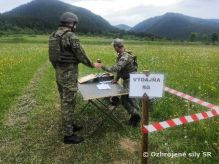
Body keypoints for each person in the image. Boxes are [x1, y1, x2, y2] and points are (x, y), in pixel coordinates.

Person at [48, 12, 94, 144]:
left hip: (59, 74)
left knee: (65, 100)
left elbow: (52, 57)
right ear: (71, 23)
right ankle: (68, 135)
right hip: (69, 76)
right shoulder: (70, 36)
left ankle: (70, 124)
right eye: (75, 24)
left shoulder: (53, 35)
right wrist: (92, 64)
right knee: (68, 103)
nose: (75, 26)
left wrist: (59, 69)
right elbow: (81, 55)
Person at [94, 38, 141, 127]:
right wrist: (116, 79)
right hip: (127, 80)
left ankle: (136, 117)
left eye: (114, 46)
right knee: (124, 100)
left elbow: (116, 69)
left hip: (132, 80)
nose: (113, 48)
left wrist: (102, 66)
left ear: (116, 46)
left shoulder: (125, 57)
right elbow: (121, 71)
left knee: (132, 100)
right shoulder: (121, 55)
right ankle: (134, 115)